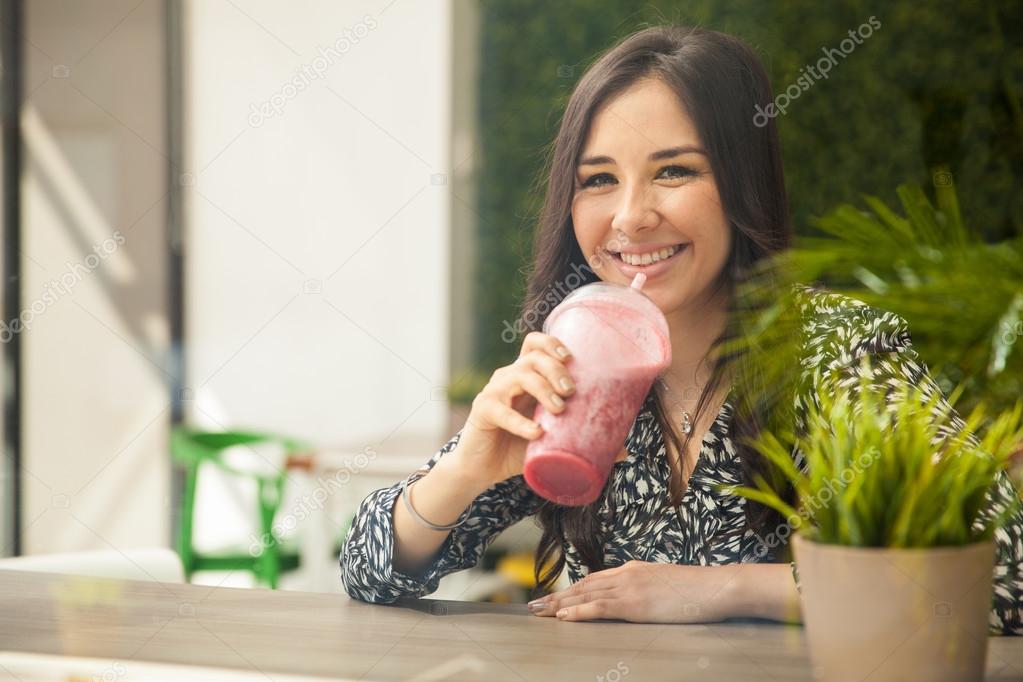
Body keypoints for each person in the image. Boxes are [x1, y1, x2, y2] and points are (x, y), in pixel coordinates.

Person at [339, 25, 1023, 633]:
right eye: (598, 180)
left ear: (740, 184)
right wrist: (465, 471)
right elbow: (368, 573)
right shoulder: (575, 361)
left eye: (673, 171)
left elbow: (1000, 579)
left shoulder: (834, 350)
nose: (631, 217)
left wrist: (718, 590)